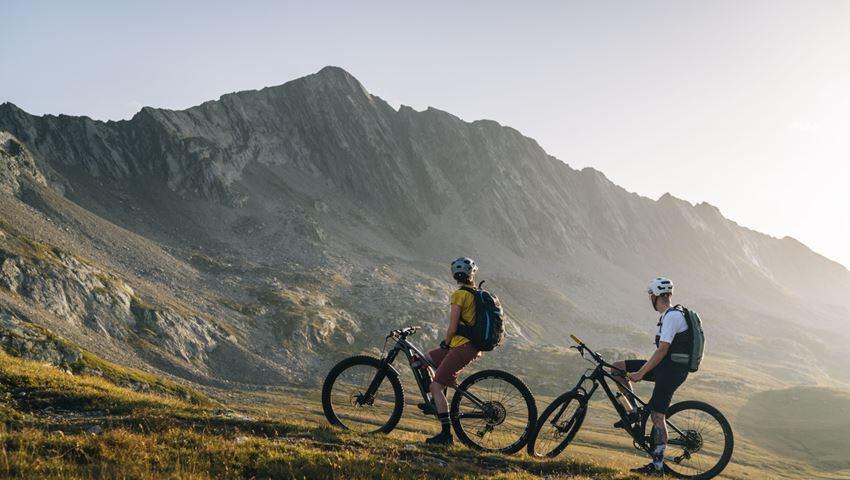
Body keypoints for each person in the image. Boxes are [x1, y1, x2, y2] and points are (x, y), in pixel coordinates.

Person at [610, 277, 691, 476]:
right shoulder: (667, 316)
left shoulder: (672, 317)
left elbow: (663, 350)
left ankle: (657, 467)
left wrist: (641, 373)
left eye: (650, 296)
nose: (650, 300)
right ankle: (634, 413)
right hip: (664, 367)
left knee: (657, 415)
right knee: (617, 368)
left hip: (672, 372)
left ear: (656, 296)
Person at [421, 257, 483, 445]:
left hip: (461, 346)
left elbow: (452, 328)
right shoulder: (475, 293)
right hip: (467, 346)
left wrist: (446, 343)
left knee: (436, 386)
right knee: (421, 359)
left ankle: (446, 435)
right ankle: (436, 400)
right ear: (472, 274)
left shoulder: (460, 295)